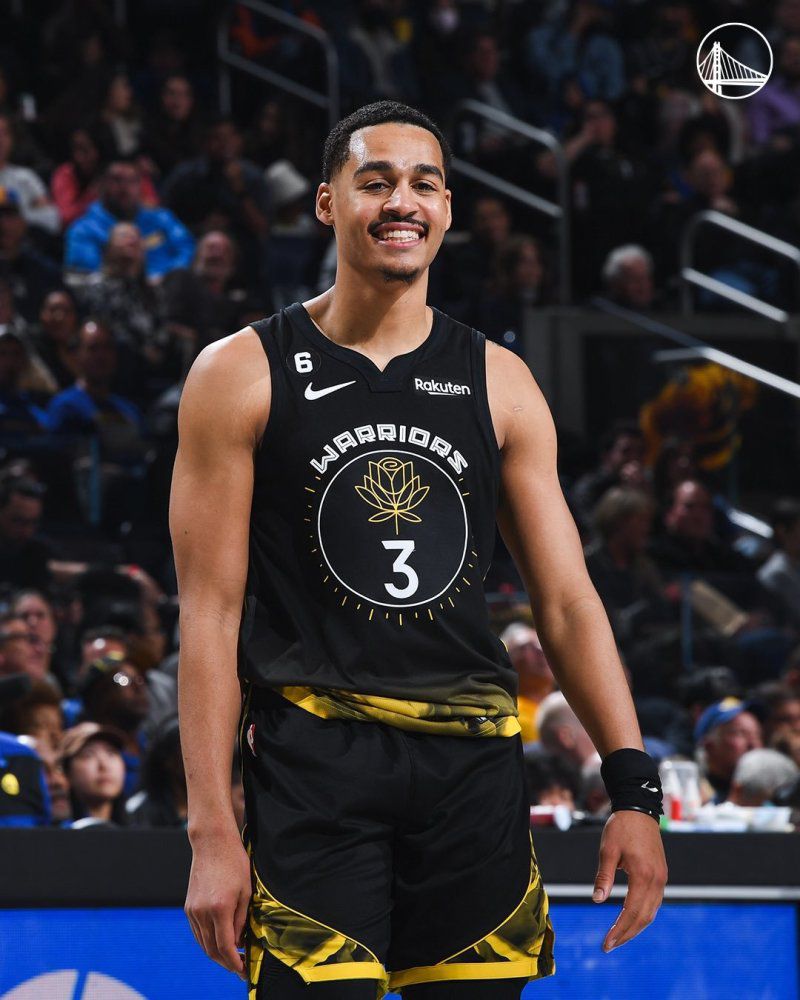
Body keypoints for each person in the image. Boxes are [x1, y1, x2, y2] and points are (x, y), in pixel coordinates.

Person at [171, 101, 666, 999]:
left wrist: (633, 791)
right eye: (376, 181)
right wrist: (212, 826)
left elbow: (567, 603)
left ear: (446, 209)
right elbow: (210, 610)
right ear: (327, 204)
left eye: (424, 183)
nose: (403, 200)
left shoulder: (501, 380)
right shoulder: (240, 372)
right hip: (313, 768)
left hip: (470, 773)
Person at [65, 158, 194, 280]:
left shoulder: (161, 218)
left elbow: (188, 249)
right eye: (117, 180)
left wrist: (167, 278)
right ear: (100, 185)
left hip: (169, 288)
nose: (125, 187)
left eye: (132, 180)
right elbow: (88, 275)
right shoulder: (83, 230)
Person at [59, 720, 127, 827]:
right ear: (66, 772)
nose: (104, 765)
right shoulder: (57, 832)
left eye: (111, 753)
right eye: (88, 755)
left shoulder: (142, 825)